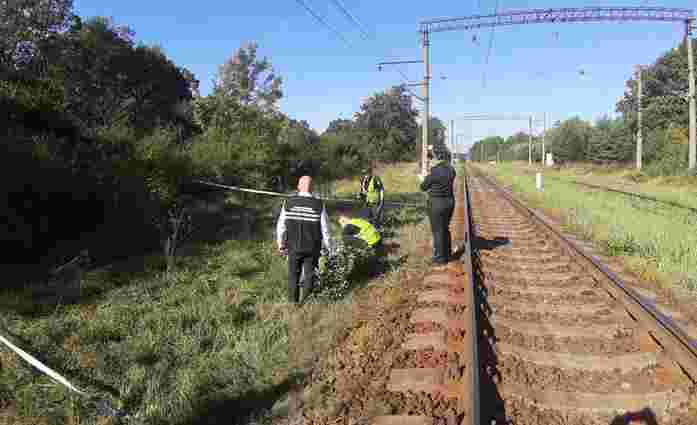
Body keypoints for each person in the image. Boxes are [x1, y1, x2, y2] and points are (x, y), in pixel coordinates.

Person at [276, 176, 332, 304]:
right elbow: (325, 230)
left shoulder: (288, 202)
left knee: (293, 276)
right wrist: (329, 248)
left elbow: (281, 226)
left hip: (293, 246)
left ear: (298, 186)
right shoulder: (319, 204)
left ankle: (293, 304)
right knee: (309, 276)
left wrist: (280, 244)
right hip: (312, 248)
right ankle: (306, 304)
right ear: (312, 188)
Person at [419, 151, 456, 266]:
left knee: (437, 231)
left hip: (436, 203)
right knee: (445, 228)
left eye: (431, 159)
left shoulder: (434, 172)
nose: (430, 162)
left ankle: (440, 258)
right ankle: (448, 254)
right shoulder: (451, 170)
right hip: (449, 202)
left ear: (437, 159)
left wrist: (423, 177)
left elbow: (423, 187)